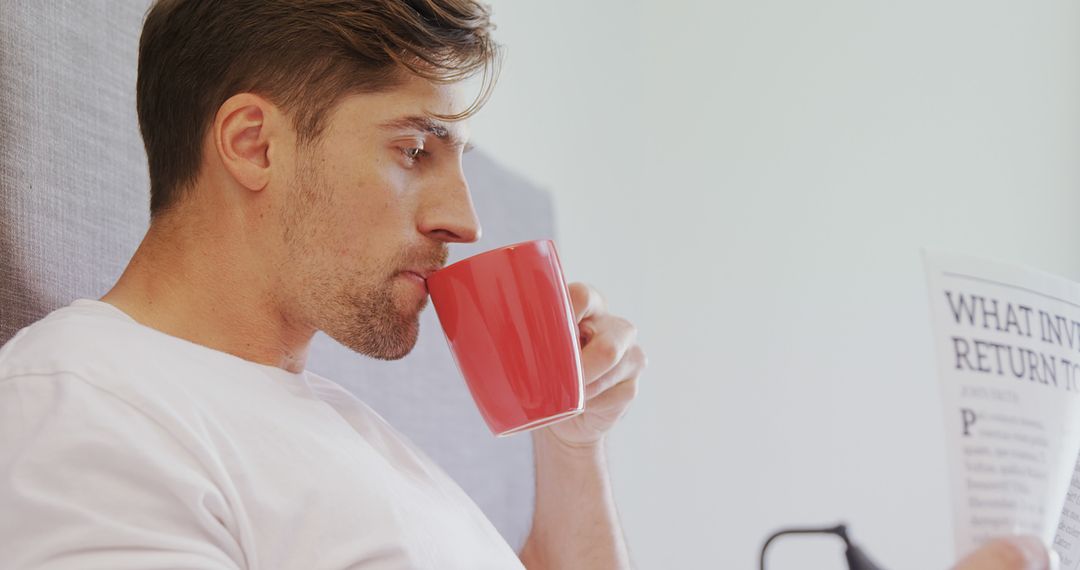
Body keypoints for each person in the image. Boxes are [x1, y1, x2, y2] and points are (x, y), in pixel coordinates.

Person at [0, 1, 1054, 569]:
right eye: (418, 147)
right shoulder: (86, 410)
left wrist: (571, 439)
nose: (464, 219)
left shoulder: (337, 425)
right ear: (252, 143)